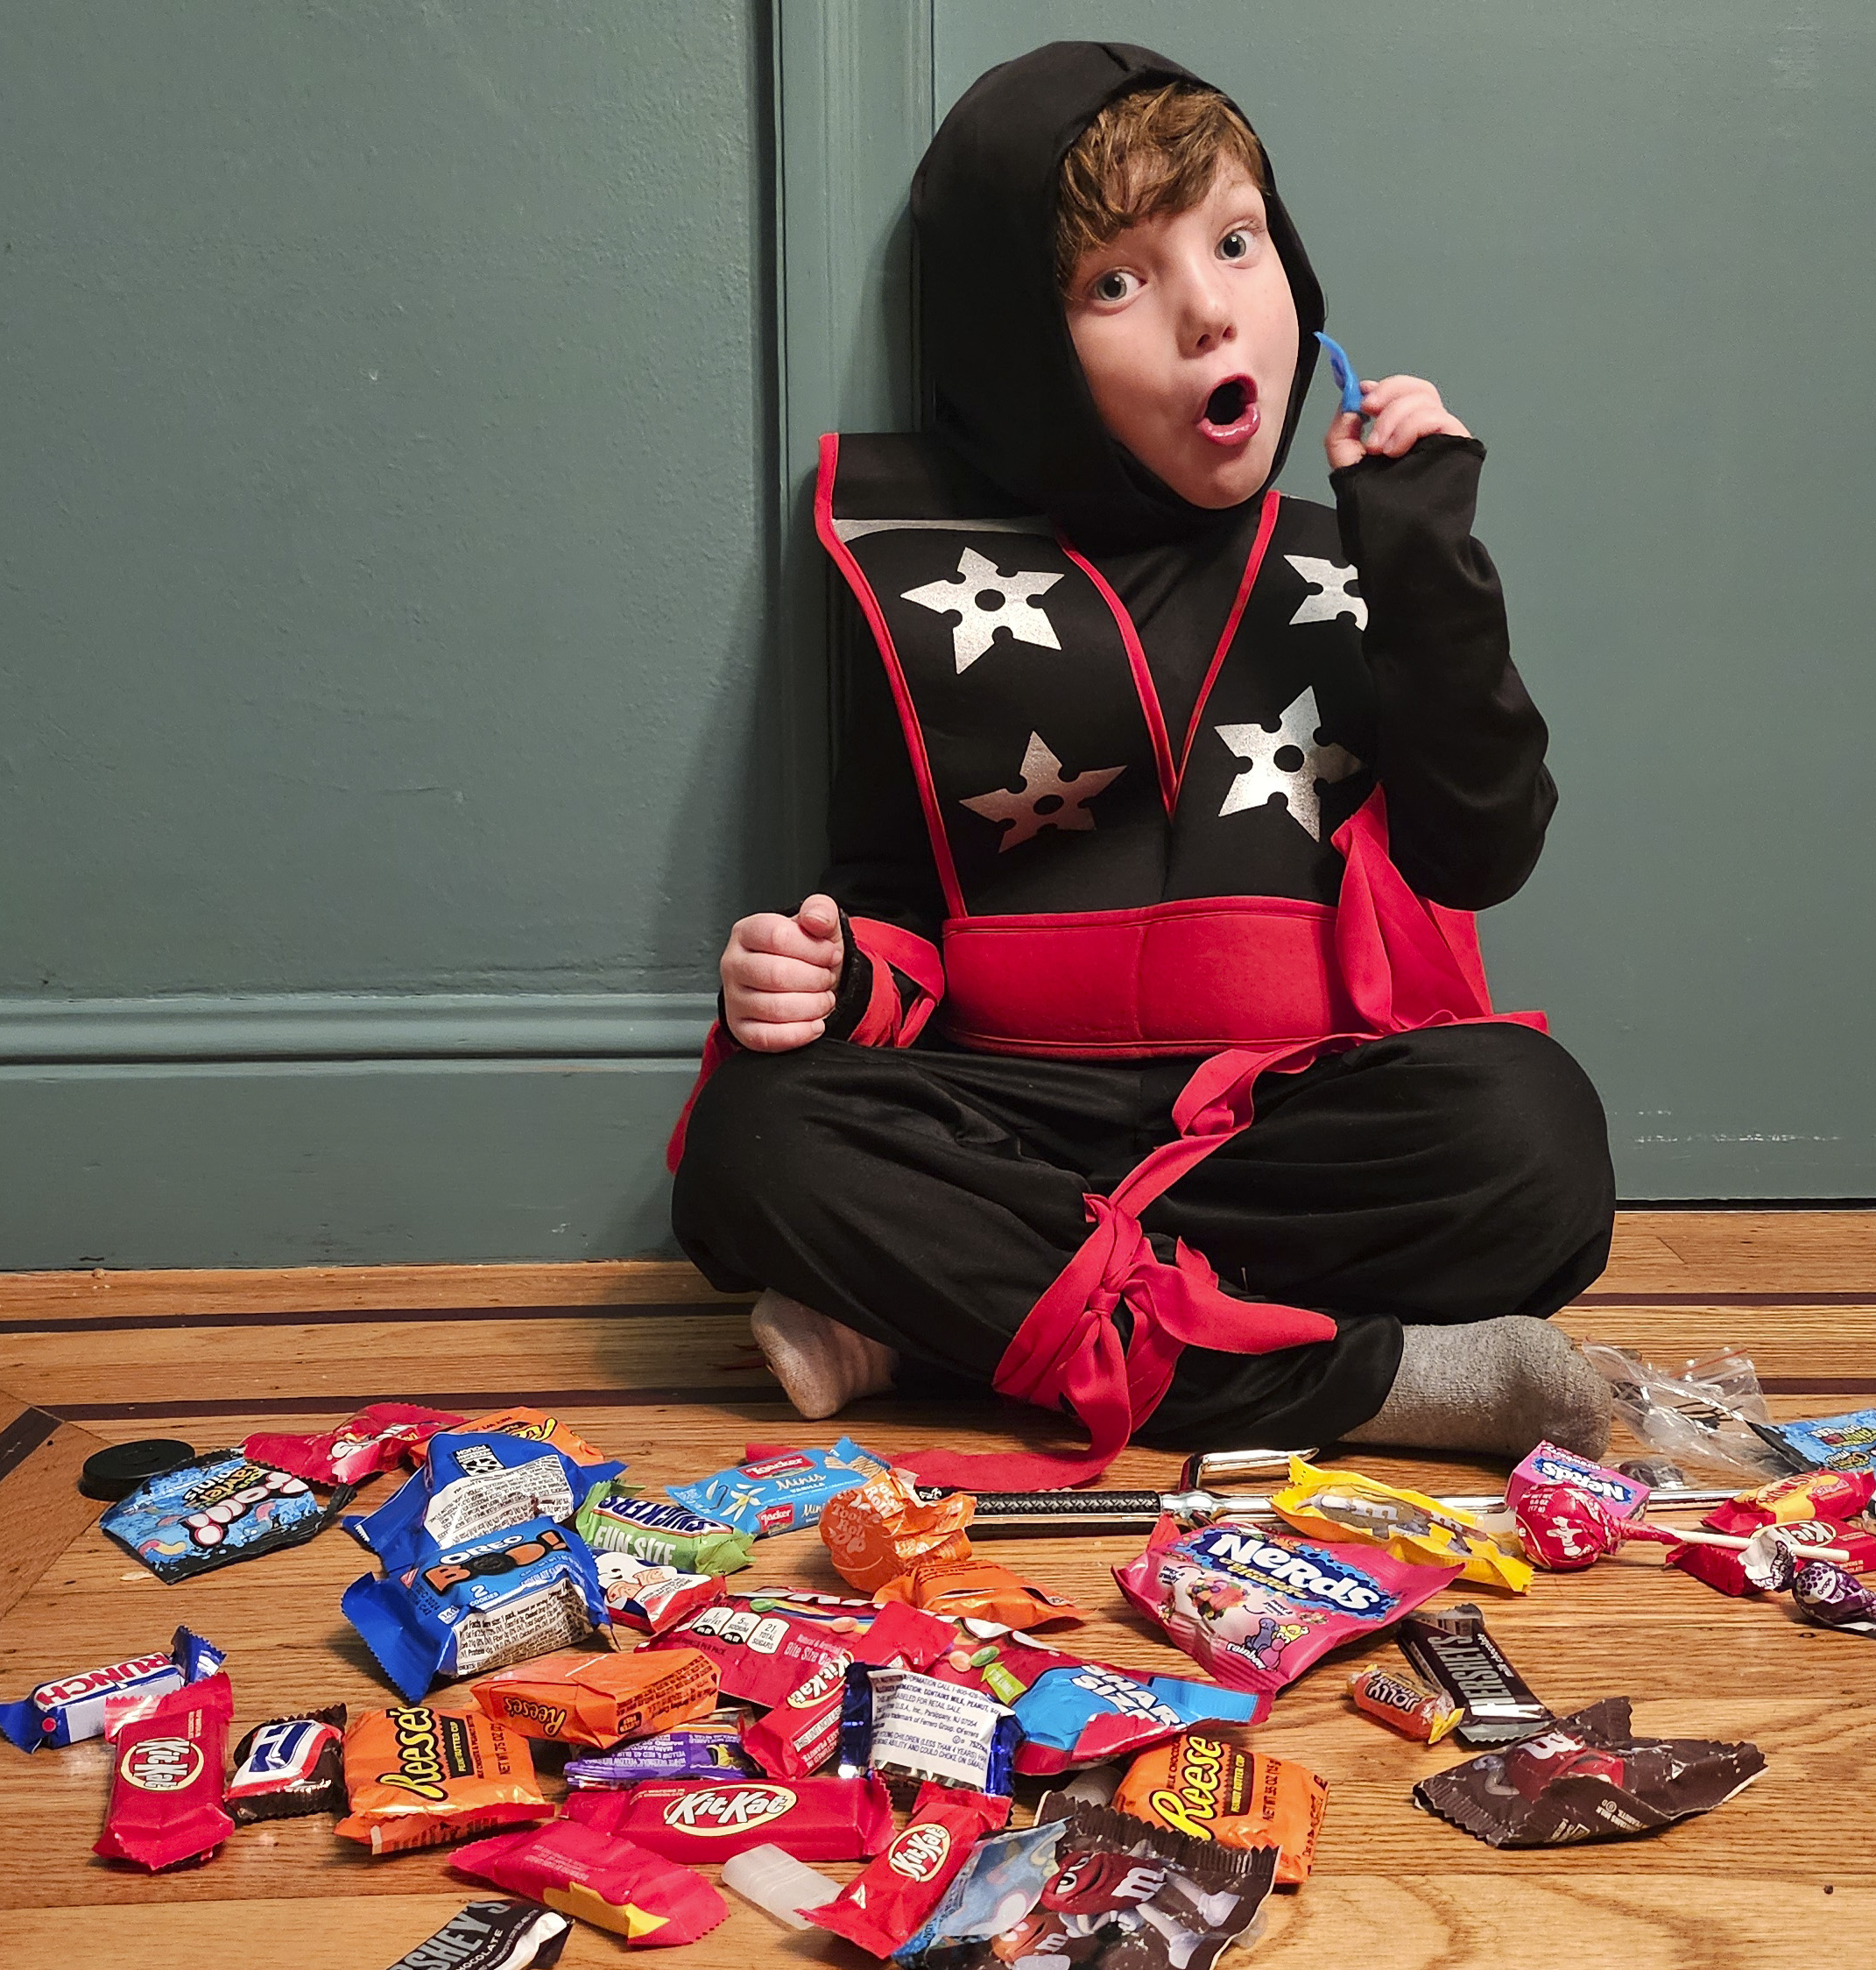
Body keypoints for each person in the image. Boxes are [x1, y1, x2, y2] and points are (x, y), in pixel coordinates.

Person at [669, 40, 1616, 1487]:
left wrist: (1426, 566)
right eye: (1116, 282)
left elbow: (1478, 851)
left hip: (1279, 1118)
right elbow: (886, 897)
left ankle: (943, 1327)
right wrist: (828, 974)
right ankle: (1367, 1381)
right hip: (1009, 1118)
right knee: (754, 1140)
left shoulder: (1360, 552)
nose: (1206, 312)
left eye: (1235, 244)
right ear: (1018, 347)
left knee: (1535, 1137)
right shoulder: (909, 566)